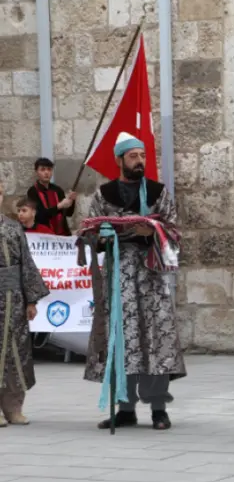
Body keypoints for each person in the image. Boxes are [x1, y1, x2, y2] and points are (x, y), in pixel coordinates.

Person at [85, 132, 185, 431]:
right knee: (122, 339)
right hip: (119, 280)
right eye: (133, 156)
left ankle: (158, 409)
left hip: (152, 280)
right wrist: (108, 235)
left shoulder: (158, 192)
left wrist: (152, 232)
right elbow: (91, 234)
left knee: (155, 339)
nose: (139, 161)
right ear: (119, 160)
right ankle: (124, 408)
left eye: (142, 155)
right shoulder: (104, 195)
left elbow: (174, 231)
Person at [0, 182, 50, 427]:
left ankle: (13, 407)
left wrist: (31, 299)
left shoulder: (13, 228)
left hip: (14, 299)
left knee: (16, 352)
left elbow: (27, 264)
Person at [26, 157, 76, 236]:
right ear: (36, 172)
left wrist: (72, 201)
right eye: (42, 169)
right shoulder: (33, 191)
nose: (46, 172)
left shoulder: (58, 190)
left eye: (49, 169)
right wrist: (59, 206)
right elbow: (39, 216)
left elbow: (69, 213)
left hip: (63, 234)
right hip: (44, 235)